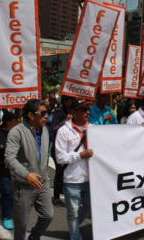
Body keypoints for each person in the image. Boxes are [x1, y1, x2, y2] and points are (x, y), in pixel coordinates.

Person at [4, 99, 53, 240]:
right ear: (31, 115)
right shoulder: (16, 132)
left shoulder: (45, 130)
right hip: (24, 184)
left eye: (47, 112)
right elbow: (9, 158)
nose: (46, 116)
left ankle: (34, 236)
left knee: (48, 215)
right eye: (43, 113)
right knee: (21, 224)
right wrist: (26, 175)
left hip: (42, 182)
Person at [55, 98, 94, 240]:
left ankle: (75, 227)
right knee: (73, 212)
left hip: (91, 178)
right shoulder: (63, 131)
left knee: (89, 208)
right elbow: (60, 158)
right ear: (73, 112)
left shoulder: (93, 128)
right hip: (72, 179)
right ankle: (75, 236)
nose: (87, 112)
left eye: (88, 109)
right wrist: (80, 155)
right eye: (84, 109)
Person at [0, 112, 20, 230]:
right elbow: (5, 149)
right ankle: (7, 217)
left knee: (16, 194)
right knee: (7, 193)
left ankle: (11, 210)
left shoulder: (19, 132)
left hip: (16, 170)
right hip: (2, 170)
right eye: (15, 121)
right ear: (8, 122)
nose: (18, 123)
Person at [50, 95, 76, 206]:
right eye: (72, 100)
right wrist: (66, 121)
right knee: (60, 172)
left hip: (72, 147)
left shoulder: (76, 111)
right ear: (65, 102)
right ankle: (56, 197)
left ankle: (71, 197)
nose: (74, 101)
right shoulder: (58, 112)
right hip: (59, 147)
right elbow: (54, 129)